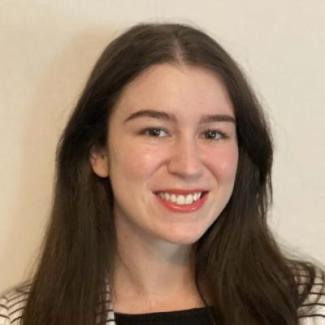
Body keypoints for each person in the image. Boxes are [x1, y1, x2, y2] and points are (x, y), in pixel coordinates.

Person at [0, 23, 324, 325]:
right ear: (98, 152)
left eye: (212, 134)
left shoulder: (308, 307)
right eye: (155, 131)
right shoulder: (17, 319)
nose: (188, 166)